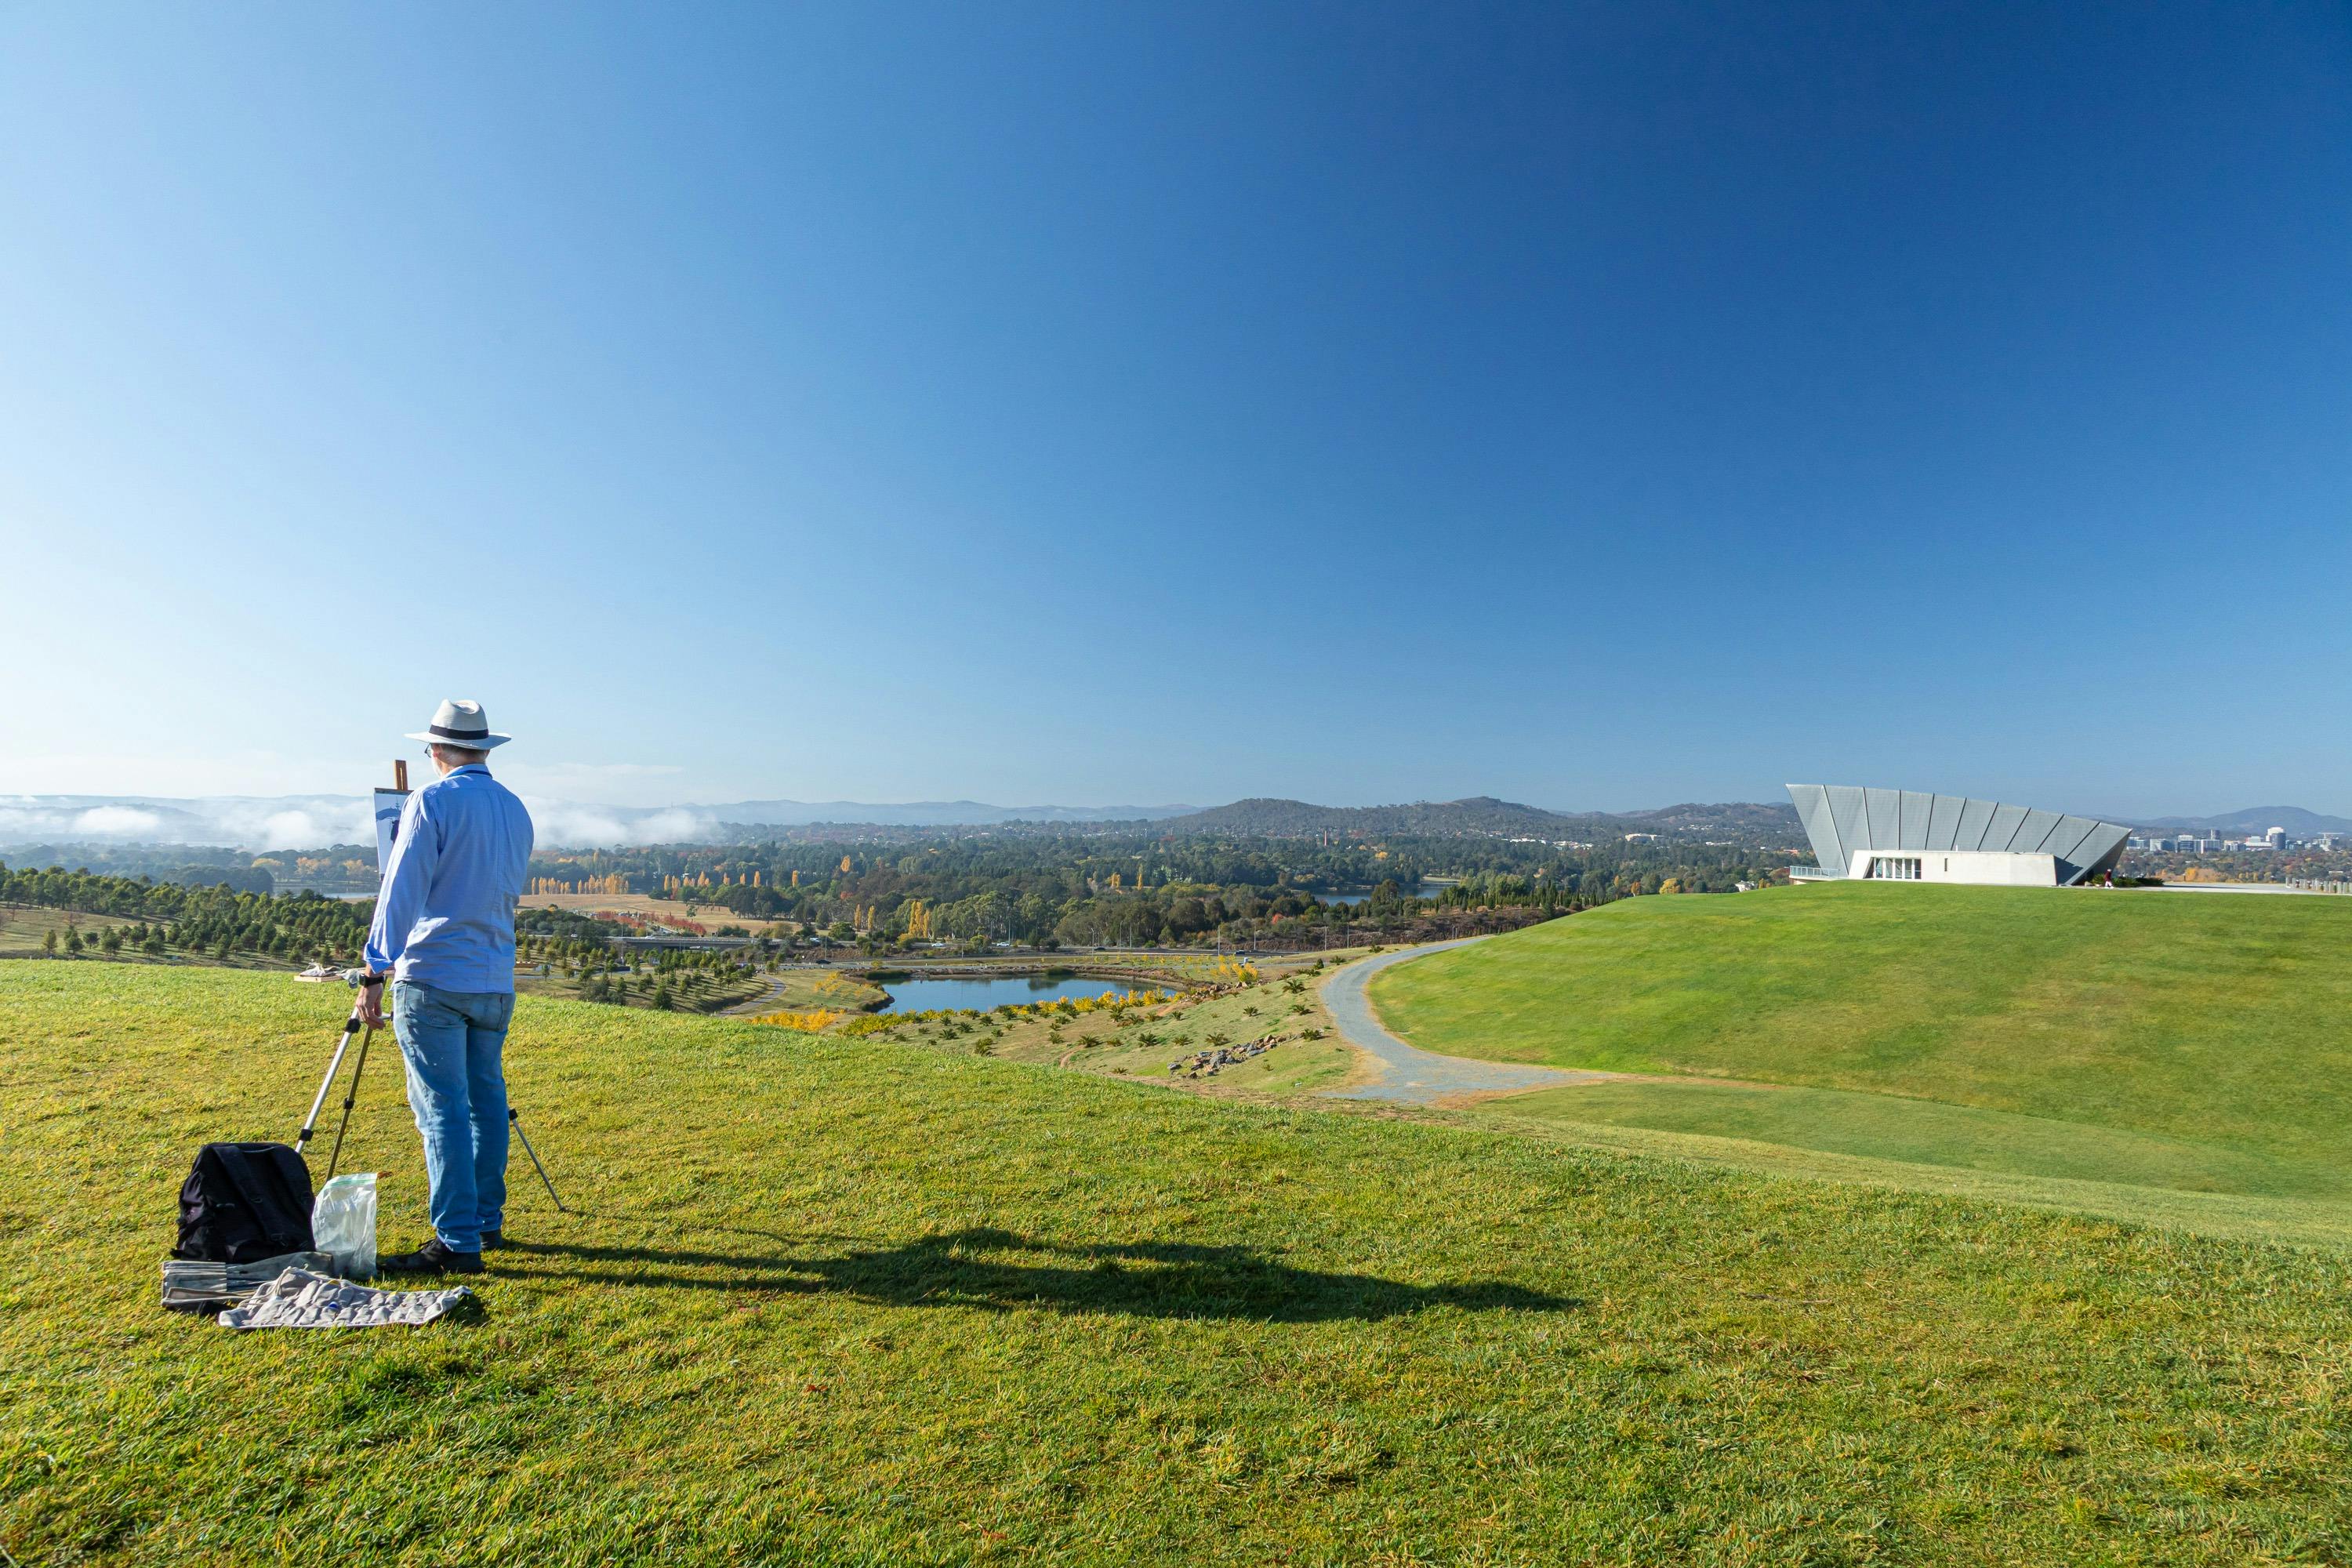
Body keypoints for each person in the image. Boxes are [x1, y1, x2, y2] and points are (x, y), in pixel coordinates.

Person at [359, 699, 535, 1276]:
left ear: (436, 751)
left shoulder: (431, 801)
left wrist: (373, 970)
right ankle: (485, 1221)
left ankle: (457, 1242)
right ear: (483, 749)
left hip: (434, 976)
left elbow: (402, 888)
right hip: (494, 979)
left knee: (441, 1111)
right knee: (485, 1104)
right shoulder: (514, 808)